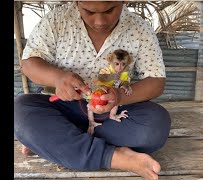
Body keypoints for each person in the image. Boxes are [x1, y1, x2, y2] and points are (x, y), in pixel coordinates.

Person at [14, 2, 171, 180]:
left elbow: (156, 81)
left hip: (109, 112)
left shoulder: (139, 28)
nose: (99, 21)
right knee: (19, 111)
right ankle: (115, 158)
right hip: (62, 107)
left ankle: (55, 142)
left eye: (110, 10)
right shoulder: (56, 21)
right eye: (89, 11)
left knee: (155, 125)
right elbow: (28, 64)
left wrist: (118, 96)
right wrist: (58, 78)